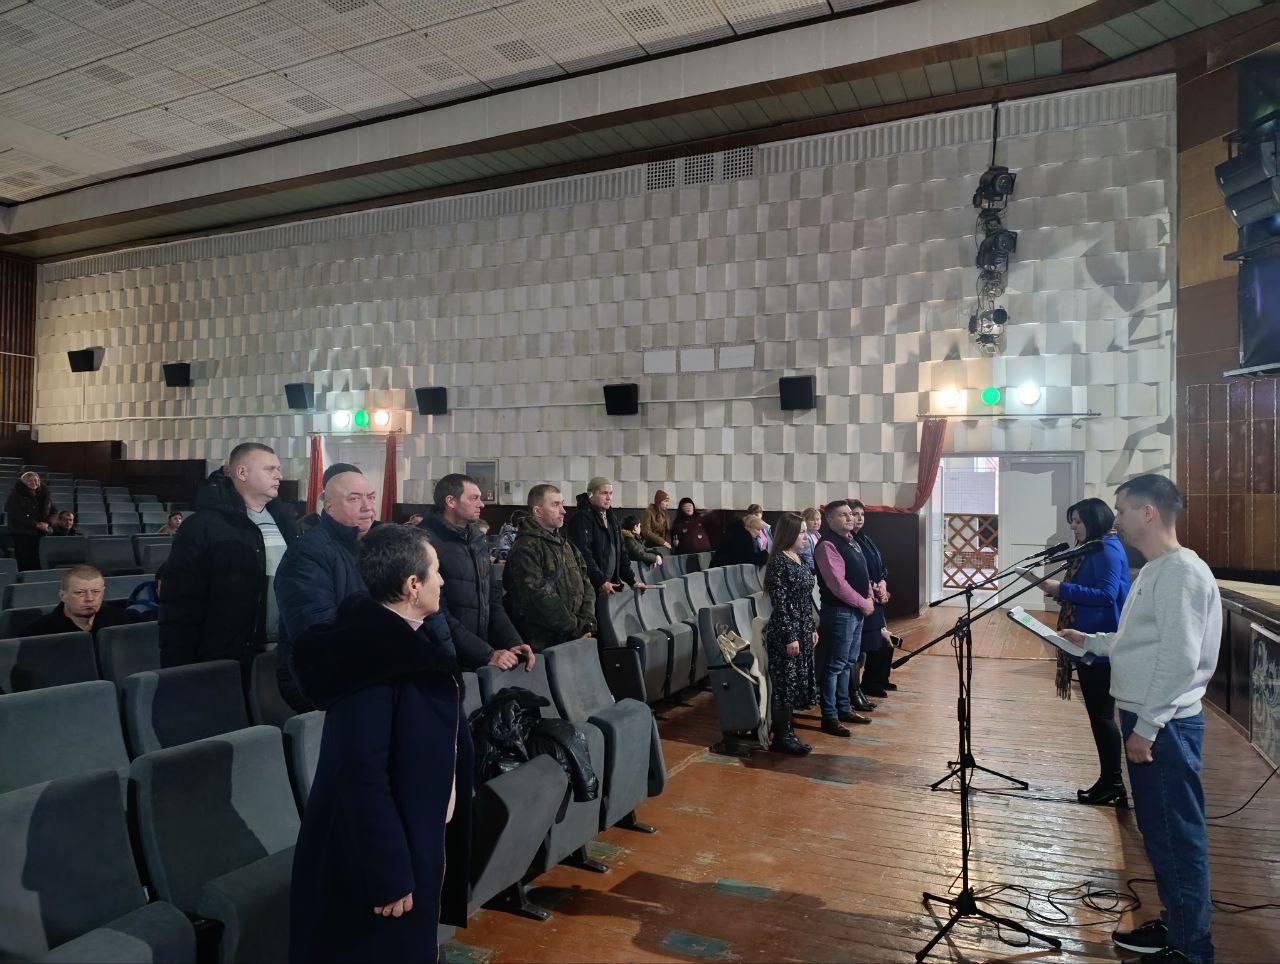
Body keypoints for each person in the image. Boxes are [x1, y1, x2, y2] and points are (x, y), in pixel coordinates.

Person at [288, 525, 472, 964]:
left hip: (411, 835)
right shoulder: (373, 660)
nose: (442, 580)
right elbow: (360, 774)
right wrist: (389, 871)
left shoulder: (407, 640)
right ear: (412, 586)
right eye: (435, 571)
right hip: (377, 859)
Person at [1061, 476, 1219, 964]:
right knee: (1161, 832)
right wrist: (1092, 642)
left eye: (1122, 510)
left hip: (1164, 727)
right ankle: (1179, 924)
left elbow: (1180, 659)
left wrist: (1146, 728)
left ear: (1148, 512)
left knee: (1175, 835)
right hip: (1151, 720)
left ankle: (1190, 948)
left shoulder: (1181, 573)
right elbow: (1144, 641)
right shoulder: (1157, 569)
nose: (1116, 521)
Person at [1024, 497, 1131, 807]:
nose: (1073, 527)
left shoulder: (1106, 549)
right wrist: (1065, 594)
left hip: (1099, 643)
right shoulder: (1094, 547)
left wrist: (1060, 589)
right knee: (1098, 716)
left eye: (1078, 521)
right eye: (1071, 520)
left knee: (1102, 717)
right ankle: (1110, 781)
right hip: (1088, 639)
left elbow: (1106, 595)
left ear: (1095, 521)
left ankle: (1113, 782)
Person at [160, 442, 297, 669]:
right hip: (227, 655)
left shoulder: (286, 522)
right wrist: (178, 666)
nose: (279, 476)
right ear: (242, 473)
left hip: (282, 652)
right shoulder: (202, 526)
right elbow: (180, 603)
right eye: (270, 469)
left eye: (279, 469)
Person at [274, 463, 377, 711]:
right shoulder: (307, 554)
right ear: (329, 507)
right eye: (354, 499)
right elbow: (317, 633)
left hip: (367, 669)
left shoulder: (374, 546)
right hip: (317, 680)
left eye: (371, 497)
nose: (367, 507)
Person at [420, 473, 536, 672]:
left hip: (477, 654)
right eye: (474, 498)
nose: (482, 504)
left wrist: (513, 642)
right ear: (451, 501)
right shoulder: (424, 540)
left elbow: (493, 601)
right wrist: (486, 653)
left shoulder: (476, 538)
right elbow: (435, 612)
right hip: (443, 656)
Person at [503, 484, 596, 652]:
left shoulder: (566, 544)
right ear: (538, 511)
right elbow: (537, 597)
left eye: (562, 504)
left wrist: (587, 622)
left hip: (572, 637)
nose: (563, 511)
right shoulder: (525, 548)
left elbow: (586, 582)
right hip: (543, 643)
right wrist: (575, 627)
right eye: (555, 505)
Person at [814, 501, 876, 734]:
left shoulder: (852, 541)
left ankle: (844, 707)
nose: (850, 518)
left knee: (849, 662)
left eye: (850, 514)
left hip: (856, 611)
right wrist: (864, 603)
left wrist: (870, 597)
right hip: (839, 612)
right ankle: (829, 716)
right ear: (829, 519)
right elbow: (837, 585)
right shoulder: (828, 545)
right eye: (843, 515)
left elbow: (864, 574)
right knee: (835, 665)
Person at [763, 513, 819, 755]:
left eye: (806, 532)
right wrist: (790, 636)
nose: (806, 537)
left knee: (796, 681)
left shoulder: (799, 559)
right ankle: (782, 737)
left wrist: (812, 627)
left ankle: (788, 731)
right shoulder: (778, 562)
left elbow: (806, 599)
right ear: (789, 534)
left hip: (803, 627)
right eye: (802, 532)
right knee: (785, 683)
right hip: (786, 631)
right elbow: (780, 603)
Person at [850, 499, 898, 703]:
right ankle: (870, 683)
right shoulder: (848, 541)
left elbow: (881, 565)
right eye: (855, 514)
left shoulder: (866, 538)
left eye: (862, 514)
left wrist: (883, 583)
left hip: (877, 594)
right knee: (874, 642)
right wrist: (874, 587)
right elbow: (856, 572)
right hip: (864, 597)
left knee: (884, 641)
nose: (859, 518)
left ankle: (880, 679)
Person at [566, 477, 645, 595]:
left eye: (611, 493)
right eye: (604, 493)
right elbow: (583, 554)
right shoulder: (581, 519)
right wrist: (600, 581)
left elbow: (621, 554)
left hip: (609, 587)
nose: (609, 497)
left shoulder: (612, 520)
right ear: (591, 495)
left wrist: (632, 581)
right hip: (588, 589)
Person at [22, 564, 139, 637]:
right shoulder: (37, 633)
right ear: (62, 596)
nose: (90, 599)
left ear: (103, 592)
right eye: (80, 593)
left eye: (96, 592)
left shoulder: (123, 620)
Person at [6, 472, 54, 571]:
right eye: (30, 480)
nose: (34, 482)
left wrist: (47, 523)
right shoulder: (15, 495)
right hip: (22, 534)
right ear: (23, 482)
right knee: (26, 564)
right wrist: (36, 525)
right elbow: (17, 515)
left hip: (41, 534)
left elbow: (54, 511)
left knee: (39, 563)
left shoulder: (44, 495)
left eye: (36, 480)